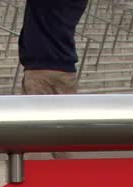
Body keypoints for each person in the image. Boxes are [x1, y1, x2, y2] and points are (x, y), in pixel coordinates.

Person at [18, 0, 88, 158]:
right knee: (63, 135)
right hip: (66, 71)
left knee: (34, 134)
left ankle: (37, 178)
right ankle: (66, 176)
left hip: (40, 71)